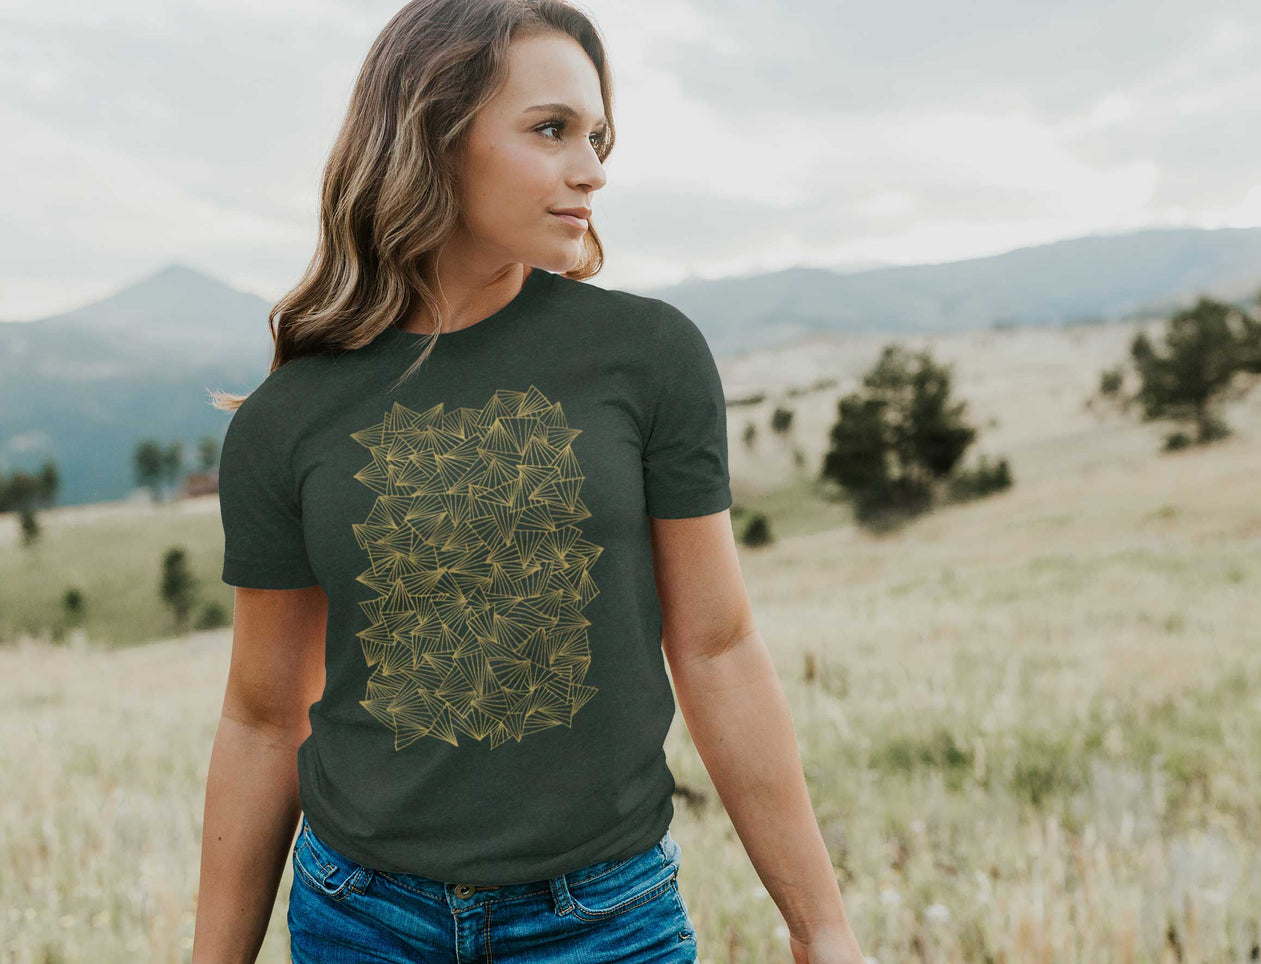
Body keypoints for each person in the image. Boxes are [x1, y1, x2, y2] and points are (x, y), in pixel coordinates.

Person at [190, 2, 865, 962]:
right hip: (360, 919)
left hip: (604, 921)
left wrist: (822, 928)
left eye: (596, 136)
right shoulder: (284, 419)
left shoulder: (646, 354)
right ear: (432, 135)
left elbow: (716, 648)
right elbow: (263, 721)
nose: (591, 167)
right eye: (551, 130)